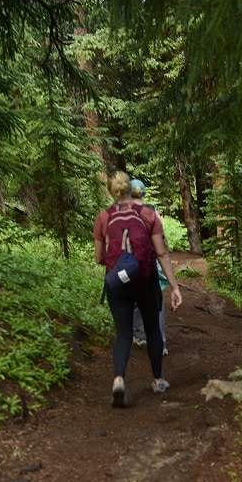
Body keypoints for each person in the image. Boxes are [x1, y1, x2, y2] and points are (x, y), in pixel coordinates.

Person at [93, 171, 182, 407]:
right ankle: (157, 380)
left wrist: (121, 264)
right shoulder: (148, 214)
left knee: (123, 333)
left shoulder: (103, 217)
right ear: (132, 190)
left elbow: (99, 258)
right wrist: (174, 286)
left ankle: (119, 379)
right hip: (146, 280)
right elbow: (161, 253)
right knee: (152, 328)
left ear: (112, 191)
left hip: (117, 284)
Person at [130, 179, 169, 355]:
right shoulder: (152, 214)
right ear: (143, 194)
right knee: (156, 305)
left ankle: (139, 335)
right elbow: (162, 243)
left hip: (131, 266)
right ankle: (159, 342)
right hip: (151, 266)